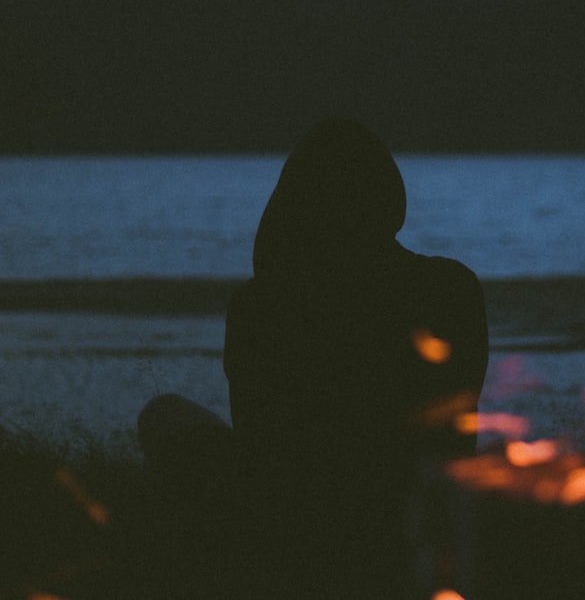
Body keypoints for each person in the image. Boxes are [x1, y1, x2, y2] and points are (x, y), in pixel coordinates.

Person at [139, 118, 489, 597]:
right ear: (388, 198)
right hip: (416, 523)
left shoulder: (263, 304)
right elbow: (457, 431)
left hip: (299, 528)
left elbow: (257, 438)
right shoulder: (454, 288)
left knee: (163, 413)